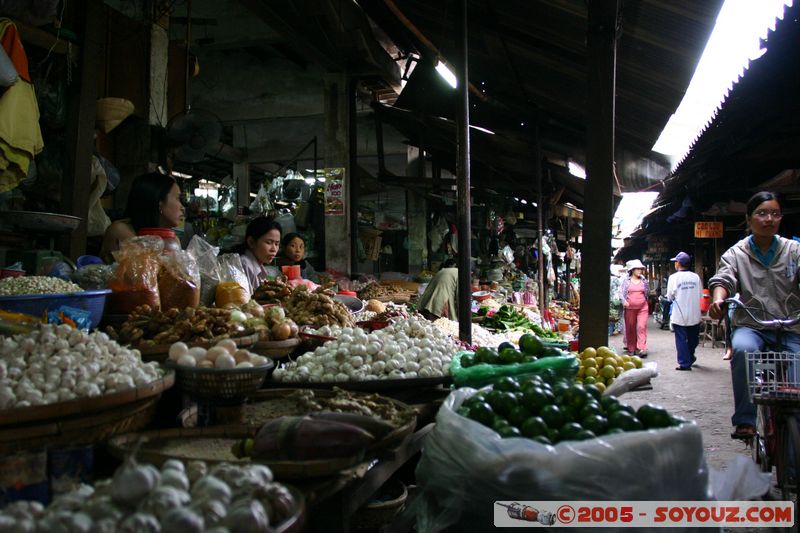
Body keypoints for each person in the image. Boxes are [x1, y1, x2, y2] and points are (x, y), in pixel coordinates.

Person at [708, 191, 800, 440]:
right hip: (752, 324)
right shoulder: (736, 254)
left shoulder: (794, 250)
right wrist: (718, 299)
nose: (769, 218)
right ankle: (745, 420)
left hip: (790, 324)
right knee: (743, 350)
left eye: (775, 213)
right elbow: (723, 279)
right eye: (762, 213)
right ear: (749, 219)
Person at [100, 171, 184, 262]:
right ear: (159, 203)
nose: (182, 207)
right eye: (177, 198)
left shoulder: (173, 239)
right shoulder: (120, 230)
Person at [667, 251, 702, 371]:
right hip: (694, 313)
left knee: (681, 339)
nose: (675, 264)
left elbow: (669, 296)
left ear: (678, 263)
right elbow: (700, 294)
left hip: (679, 314)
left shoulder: (673, 278)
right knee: (693, 339)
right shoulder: (696, 277)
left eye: (675, 262)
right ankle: (690, 357)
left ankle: (684, 363)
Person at [234, 217, 282, 294]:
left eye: (277, 244)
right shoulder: (245, 264)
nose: (274, 249)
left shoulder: (257, 265)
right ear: (251, 242)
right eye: (269, 242)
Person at [620, 259, 649, 356]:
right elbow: (621, 293)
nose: (639, 271)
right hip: (630, 308)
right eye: (637, 269)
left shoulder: (644, 280)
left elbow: (647, 292)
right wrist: (624, 301)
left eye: (640, 269)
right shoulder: (626, 281)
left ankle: (642, 348)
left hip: (642, 307)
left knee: (641, 326)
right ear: (632, 270)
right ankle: (631, 348)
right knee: (630, 327)